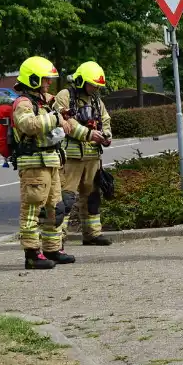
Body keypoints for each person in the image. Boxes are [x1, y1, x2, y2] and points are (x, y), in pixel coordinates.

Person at [12, 56, 78, 269]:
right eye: (45, 79)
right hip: (34, 165)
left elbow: (57, 115)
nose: (49, 83)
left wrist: (65, 117)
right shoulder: (23, 103)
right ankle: (32, 255)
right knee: (32, 210)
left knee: (55, 208)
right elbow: (29, 125)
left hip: (51, 162)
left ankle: (52, 249)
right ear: (32, 79)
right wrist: (56, 119)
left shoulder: (45, 100)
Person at [54, 61, 114, 248]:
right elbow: (65, 121)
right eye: (92, 84)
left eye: (97, 86)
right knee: (66, 198)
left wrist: (106, 136)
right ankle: (58, 239)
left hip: (92, 157)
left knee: (92, 197)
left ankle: (92, 234)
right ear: (80, 81)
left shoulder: (95, 99)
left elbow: (105, 119)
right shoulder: (65, 96)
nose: (95, 88)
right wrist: (88, 134)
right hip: (70, 158)